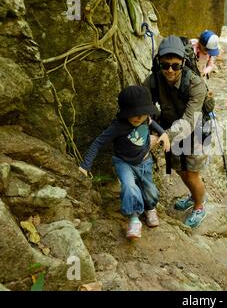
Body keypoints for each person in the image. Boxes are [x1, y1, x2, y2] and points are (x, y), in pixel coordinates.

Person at [78, 85, 170, 239]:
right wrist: (85, 165)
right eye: (134, 114)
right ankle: (134, 219)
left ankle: (150, 208)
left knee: (150, 191)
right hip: (124, 162)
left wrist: (163, 134)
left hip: (144, 161)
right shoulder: (118, 126)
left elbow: (151, 123)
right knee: (129, 186)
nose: (138, 117)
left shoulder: (145, 118)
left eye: (142, 113)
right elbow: (98, 142)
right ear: (125, 112)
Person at [144, 35, 211, 229]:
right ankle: (193, 196)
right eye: (165, 65)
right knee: (181, 169)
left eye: (175, 65)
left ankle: (199, 206)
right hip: (171, 128)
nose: (170, 70)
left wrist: (163, 135)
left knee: (191, 173)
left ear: (183, 62)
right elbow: (141, 101)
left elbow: (190, 120)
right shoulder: (154, 80)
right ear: (159, 63)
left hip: (196, 130)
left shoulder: (195, 84)